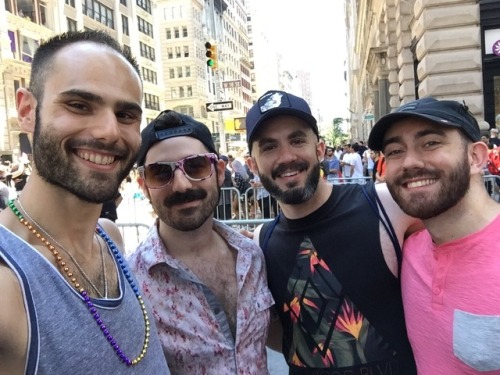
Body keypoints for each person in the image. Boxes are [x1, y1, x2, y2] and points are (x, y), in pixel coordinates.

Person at [0, 30, 170, 374]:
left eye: (126, 115)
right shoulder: (7, 289)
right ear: (28, 110)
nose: (109, 131)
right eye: (79, 105)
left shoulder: (110, 237)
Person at [245, 90, 420, 374]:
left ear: (320, 149)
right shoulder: (260, 242)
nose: (286, 156)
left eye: (297, 140)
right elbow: (285, 334)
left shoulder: (387, 205)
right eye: (268, 147)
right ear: (253, 164)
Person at [127, 110, 273, 374]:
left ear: (218, 171)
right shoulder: (131, 285)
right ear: (144, 185)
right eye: (161, 173)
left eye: (195, 166)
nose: (181, 185)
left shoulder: (252, 256)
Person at [368, 97, 500, 374]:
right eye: (394, 151)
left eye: (430, 143)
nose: (409, 162)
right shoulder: (407, 251)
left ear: (476, 156)